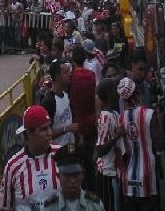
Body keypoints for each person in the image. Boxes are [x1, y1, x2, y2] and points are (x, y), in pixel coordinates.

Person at [0, 105, 60, 211]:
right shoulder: (13, 166)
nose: (49, 133)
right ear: (29, 134)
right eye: (43, 129)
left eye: (49, 127)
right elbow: (4, 207)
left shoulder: (61, 155)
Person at [117, 77, 164, 211]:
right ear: (138, 93)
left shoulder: (121, 119)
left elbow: (122, 150)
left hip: (129, 180)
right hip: (148, 178)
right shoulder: (150, 114)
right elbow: (160, 145)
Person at [69, 46, 98, 192]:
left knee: (80, 162)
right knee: (90, 163)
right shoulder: (91, 75)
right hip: (91, 123)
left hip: (78, 127)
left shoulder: (72, 77)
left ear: (73, 59)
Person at [43, 145, 105, 211]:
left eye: (75, 175)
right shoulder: (49, 207)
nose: (72, 180)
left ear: (82, 175)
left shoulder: (94, 205)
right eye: (67, 175)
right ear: (59, 176)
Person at [95, 78, 123, 211]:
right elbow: (100, 149)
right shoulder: (105, 117)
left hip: (115, 171)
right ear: (110, 93)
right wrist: (117, 136)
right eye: (115, 90)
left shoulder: (115, 113)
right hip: (107, 172)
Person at [41, 59, 79, 146]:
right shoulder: (49, 102)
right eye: (66, 72)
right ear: (57, 77)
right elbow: (45, 134)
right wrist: (67, 129)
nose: (70, 74)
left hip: (70, 148)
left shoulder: (65, 94)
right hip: (58, 153)